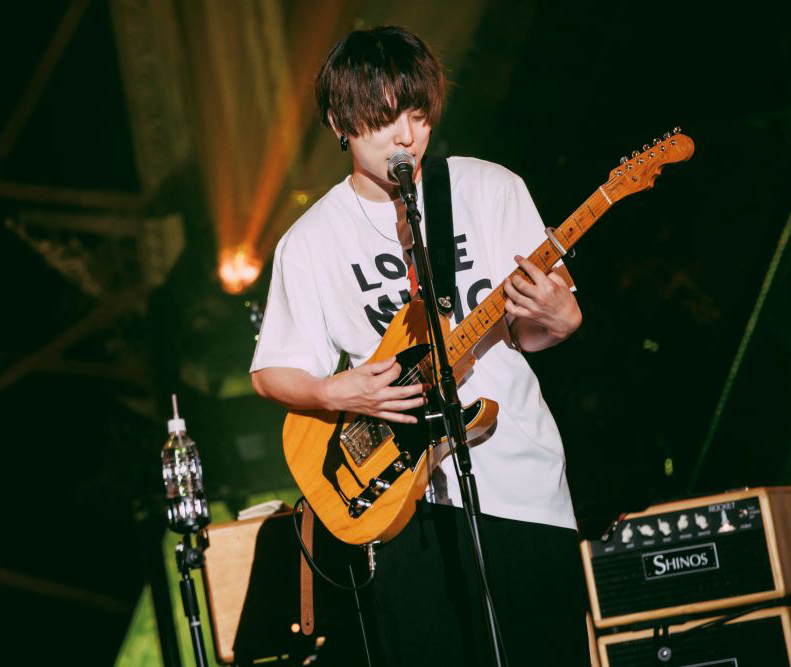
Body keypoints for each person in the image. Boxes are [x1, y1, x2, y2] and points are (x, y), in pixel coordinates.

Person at [250, 26, 590, 666]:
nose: (406, 136)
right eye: (383, 120)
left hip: (524, 486)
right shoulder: (312, 241)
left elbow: (532, 332)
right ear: (340, 123)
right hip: (403, 506)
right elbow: (271, 372)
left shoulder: (490, 189)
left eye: (418, 114)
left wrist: (561, 318)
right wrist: (333, 390)